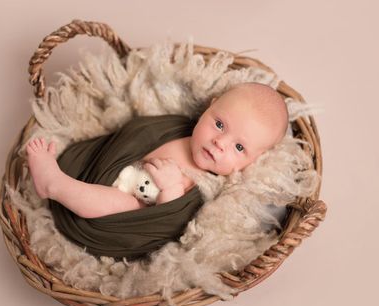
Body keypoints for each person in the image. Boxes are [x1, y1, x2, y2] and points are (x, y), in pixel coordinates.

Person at [26, 82, 288, 219]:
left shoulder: (207, 183)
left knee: (118, 202)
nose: (220, 142)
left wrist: (170, 187)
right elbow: (137, 134)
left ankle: (54, 184)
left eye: (239, 147)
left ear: (254, 160)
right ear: (210, 106)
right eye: (219, 124)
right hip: (111, 169)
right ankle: (66, 174)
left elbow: (167, 214)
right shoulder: (177, 128)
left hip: (131, 204)